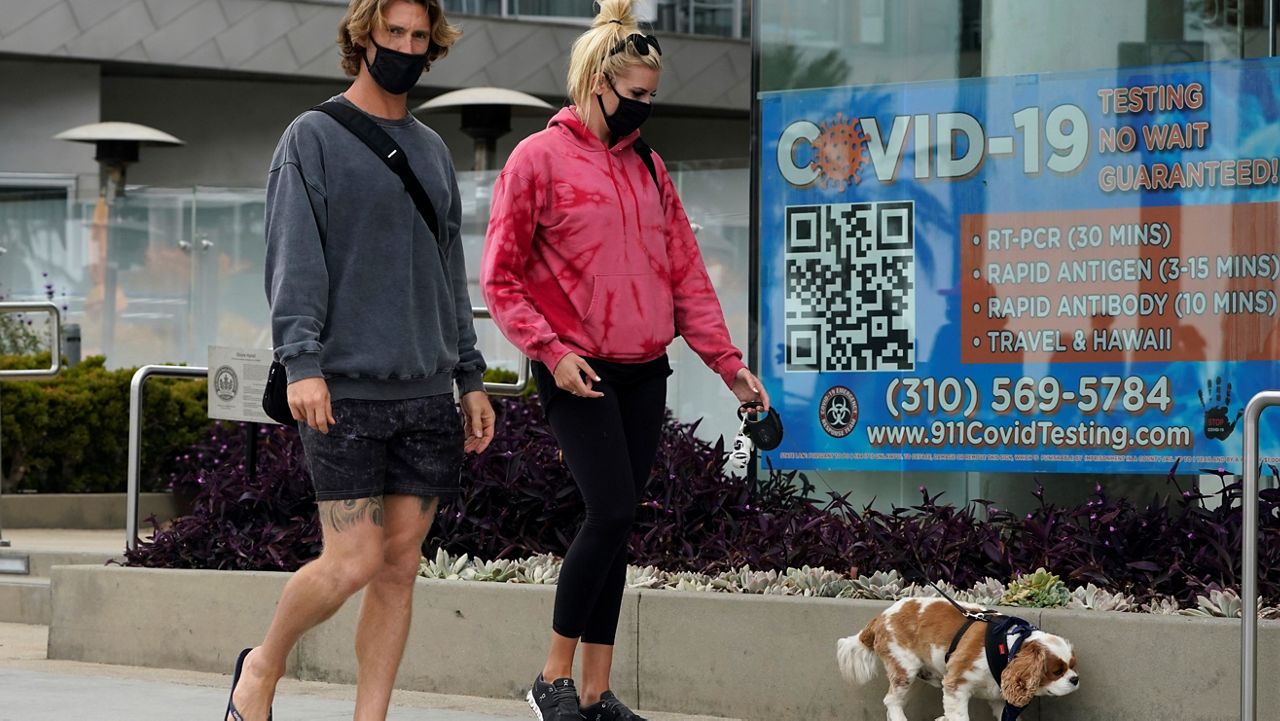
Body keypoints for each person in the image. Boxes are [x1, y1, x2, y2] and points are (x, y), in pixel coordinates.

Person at [480, 2, 769, 719]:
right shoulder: (536, 160)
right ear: (595, 84)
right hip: (577, 368)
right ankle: (550, 678)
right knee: (608, 509)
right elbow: (500, 276)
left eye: (650, 97)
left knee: (621, 518)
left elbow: (687, 273)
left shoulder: (649, 166)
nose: (643, 109)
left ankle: (597, 689)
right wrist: (551, 350)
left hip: (645, 368)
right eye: (633, 95)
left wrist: (727, 364)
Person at [227, 1, 494, 719]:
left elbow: (449, 271)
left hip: (427, 392)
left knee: (400, 568)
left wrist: (469, 375)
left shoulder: (434, 151)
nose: (405, 47)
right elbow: (292, 260)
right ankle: (262, 665)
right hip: (342, 391)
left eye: (418, 37)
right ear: (363, 37)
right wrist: (302, 359)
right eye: (393, 33)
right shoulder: (311, 138)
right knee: (353, 560)